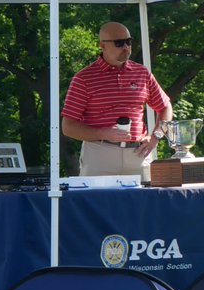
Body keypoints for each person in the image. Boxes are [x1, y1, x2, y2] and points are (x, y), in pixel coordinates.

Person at [61, 21, 174, 177]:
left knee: (144, 202)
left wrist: (156, 136)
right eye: (119, 43)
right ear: (102, 45)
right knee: (97, 202)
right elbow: (68, 127)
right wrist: (103, 133)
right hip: (99, 154)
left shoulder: (141, 73)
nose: (126, 47)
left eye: (128, 41)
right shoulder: (83, 78)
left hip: (138, 153)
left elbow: (165, 107)